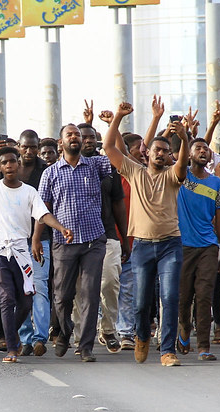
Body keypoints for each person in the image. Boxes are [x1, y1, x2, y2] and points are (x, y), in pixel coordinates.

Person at [0, 140, 73, 363]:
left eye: (13, 161)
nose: (9, 165)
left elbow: (42, 214)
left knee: (26, 301)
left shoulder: (29, 192)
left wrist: (60, 228)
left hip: (21, 252)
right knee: (7, 298)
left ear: (18, 165)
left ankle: (13, 337)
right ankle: (11, 347)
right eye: (4, 162)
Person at [103, 102, 188, 367]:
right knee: (140, 303)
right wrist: (117, 118)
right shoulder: (134, 171)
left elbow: (183, 164)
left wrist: (184, 139)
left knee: (170, 298)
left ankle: (167, 350)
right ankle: (141, 337)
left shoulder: (173, 175)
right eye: (157, 150)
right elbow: (108, 148)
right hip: (141, 246)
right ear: (147, 152)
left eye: (165, 151)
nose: (161, 154)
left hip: (170, 246)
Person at [36, 121, 113, 363]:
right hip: (62, 242)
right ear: (61, 142)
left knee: (90, 294)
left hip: (93, 240)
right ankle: (65, 331)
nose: (75, 137)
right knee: (61, 295)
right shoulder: (50, 173)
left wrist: (115, 122)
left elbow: (112, 149)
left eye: (78, 134)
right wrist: (36, 238)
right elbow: (42, 209)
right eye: (69, 134)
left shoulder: (95, 165)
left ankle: (86, 346)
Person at [76, 122, 129, 354]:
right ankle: (80, 337)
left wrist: (125, 238)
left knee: (109, 282)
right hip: (76, 238)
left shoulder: (107, 167)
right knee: (80, 290)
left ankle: (108, 328)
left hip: (107, 235)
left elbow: (118, 203)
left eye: (91, 137)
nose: (87, 141)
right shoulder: (66, 169)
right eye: (83, 137)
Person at [175, 137, 220, 361]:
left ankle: (204, 346)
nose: (203, 151)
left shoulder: (217, 182)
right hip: (182, 245)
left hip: (208, 245)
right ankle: (184, 329)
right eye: (198, 148)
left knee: (204, 296)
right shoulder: (180, 177)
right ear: (189, 153)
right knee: (184, 297)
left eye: (206, 149)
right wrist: (182, 136)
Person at [1, 130, 51, 356]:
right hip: (13, 242)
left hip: (42, 239)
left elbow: (45, 207)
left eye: (33, 147)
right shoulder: (8, 170)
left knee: (39, 287)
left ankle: (40, 338)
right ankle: (24, 338)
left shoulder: (47, 171)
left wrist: (37, 238)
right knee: (20, 291)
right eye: (25, 147)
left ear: (39, 146)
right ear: (19, 147)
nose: (29, 151)